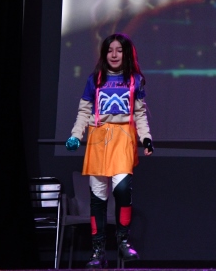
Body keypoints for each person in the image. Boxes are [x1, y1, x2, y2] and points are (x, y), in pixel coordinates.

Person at [65, 33, 154, 268]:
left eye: (119, 50)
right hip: (98, 139)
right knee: (98, 199)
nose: (114, 54)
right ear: (104, 53)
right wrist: (76, 135)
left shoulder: (134, 80)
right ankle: (98, 251)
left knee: (123, 190)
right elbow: (84, 111)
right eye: (110, 50)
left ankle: (123, 241)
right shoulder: (95, 79)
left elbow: (140, 113)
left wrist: (146, 138)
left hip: (123, 138)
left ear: (127, 54)